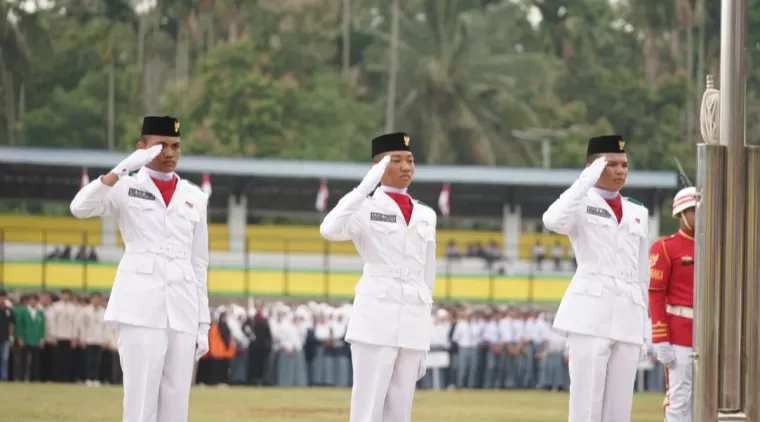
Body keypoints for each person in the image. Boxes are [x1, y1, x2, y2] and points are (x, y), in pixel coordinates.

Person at [70, 116, 211, 422]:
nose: (170, 152)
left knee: (176, 404)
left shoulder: (195, 197)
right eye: (160, 145)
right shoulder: (124, 187)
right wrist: (122, 169)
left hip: (183, 307)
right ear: (142, 147)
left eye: (175, 145)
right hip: (140, 307)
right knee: (140, 402)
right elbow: (79, 207)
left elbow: (199, 263)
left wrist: (204, 322)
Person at [319, 132, 437, 422]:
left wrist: (425, 334)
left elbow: (427, 275)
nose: (406, 167)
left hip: (412, 316)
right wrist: (365, 187)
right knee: (368, 403)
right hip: (376, 315)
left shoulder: (426, 214)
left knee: (401, 406)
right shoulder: (365, 207)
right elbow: (329, 229)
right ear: (378, 166)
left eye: (410, 160)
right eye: (396, 160)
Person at [542, 135, 650, 422]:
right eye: (611, 164)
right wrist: (585, 181)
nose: (620, 171)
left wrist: (644, 326)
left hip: (628, 313)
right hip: (590, 315)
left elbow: (642, 274)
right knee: (586, 406)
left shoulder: (638, 211)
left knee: (619, 409)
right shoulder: (579, 202)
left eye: (624, 165)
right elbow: (551, 220)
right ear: (592, 167)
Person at [649, 187, 696, 422]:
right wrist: (661, 339)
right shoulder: (665, 247)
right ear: (680, 215)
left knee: (710, 399)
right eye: (693, 211)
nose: (698, 215)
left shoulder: (717, 246)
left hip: (711, 333)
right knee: (679, 397)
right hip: (679, 333)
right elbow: (656, 294)